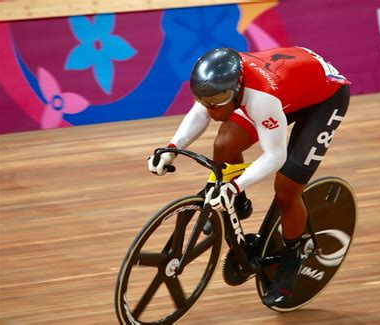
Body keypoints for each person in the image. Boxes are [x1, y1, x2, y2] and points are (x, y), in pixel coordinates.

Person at [148, 46, 350, 307]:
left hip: (324, 99)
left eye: (220, 100)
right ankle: (240, 207)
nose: (212, 109)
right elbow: (200, 111)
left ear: (236, 88)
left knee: (287, 191)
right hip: (289, 87)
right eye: (208, 100)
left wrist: (234, 186)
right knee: (224, 145)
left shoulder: (261, 98)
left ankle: (291, 259)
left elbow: (275, 156)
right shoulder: (219, 82)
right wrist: (171, 150)